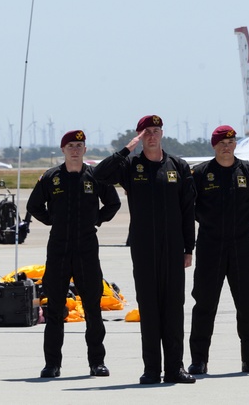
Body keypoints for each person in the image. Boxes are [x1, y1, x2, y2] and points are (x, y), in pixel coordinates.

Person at [93, 115, 196, 384]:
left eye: (156, 131)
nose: (152, 136)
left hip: (173, 247)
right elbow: (99, 175)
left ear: (162, 134)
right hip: (143, 247)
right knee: (149, 308)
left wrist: (189, 248)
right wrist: (127, 149)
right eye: (146, 132)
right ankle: (152, 368)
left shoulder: (178, 166)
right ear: (139, 136)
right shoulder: (130, 165)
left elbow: (188, 210)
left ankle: (175, 368)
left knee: (174, 308)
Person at [27, 129, 121, 379]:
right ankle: (52, 364)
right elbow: (33, 206)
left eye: (79, 145)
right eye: (70, 145)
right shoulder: (50, 178)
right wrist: (53, 221)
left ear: (85, 150)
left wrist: (96, 220)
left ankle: (97, 362)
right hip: (58, 248)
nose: (75, 149)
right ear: (63, 150)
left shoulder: (96, 176)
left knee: (92, 308)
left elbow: (114, 203)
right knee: (55, 308)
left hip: (86, 248)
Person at [187, 125, 249, 376]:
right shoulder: (201, 173)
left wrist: (246, 218)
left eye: (231, 141)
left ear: (236, 144)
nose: (226, 146)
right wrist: (206, 219)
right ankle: (199, 360)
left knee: (248, 303)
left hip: (241, 245)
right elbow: (189, 203)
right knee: (204, 303)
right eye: (222, 142)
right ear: (214, 146)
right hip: (210, 244)